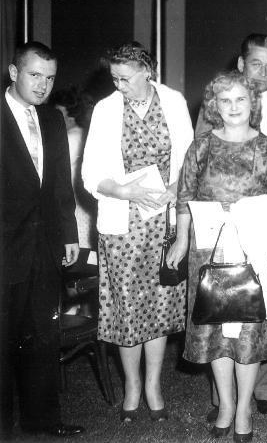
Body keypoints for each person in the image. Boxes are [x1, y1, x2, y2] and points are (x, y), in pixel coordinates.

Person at [166, 71, 267, 440]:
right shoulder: (201, 146)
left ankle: (243, 411)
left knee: (247, 332)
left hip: (251, 249)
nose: (233, 107)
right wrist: (181, 240)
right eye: (225, 100)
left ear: (252, 103)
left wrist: (245, 205)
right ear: (214, 106)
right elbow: (184, 197)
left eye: (240, 99)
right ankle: (224, 404)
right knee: (216, 331)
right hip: (207, 250)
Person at [81, 42, 193, 422]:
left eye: (125, 78)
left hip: (163, 221)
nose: (119, 85)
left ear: (148, 71)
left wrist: (176, 191)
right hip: (122, 225)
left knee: (161, 304)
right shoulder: (105, 109)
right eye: (114, 78)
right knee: (126, 307)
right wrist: (123, 190)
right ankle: (131, 385)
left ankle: (153, 385)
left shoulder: (174, 102)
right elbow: (89, 174)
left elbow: (189, 160)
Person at [195, 34, 267, 417]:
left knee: (263, 306)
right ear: (240, 63)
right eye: (255, 64)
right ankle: (225, 400)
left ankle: (261, 392)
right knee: (223, 304)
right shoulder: (216, 105)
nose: (262, 73)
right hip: (220, 229)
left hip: (266, 226)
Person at [0, 41, 83, 439]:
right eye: (35, 75)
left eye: (49, 78)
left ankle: (42, 421)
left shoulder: (51, 120)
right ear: (14, 73)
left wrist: (68, 233)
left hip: (44, 247)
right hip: (3, 247)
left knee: (42, 337)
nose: (42, 85)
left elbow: (59, 185)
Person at [49, 87, 96, 251]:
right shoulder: (81, 134)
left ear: (71, 114)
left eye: (58, 112)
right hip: (78, 208)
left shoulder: (72, 137)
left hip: (75, 210)